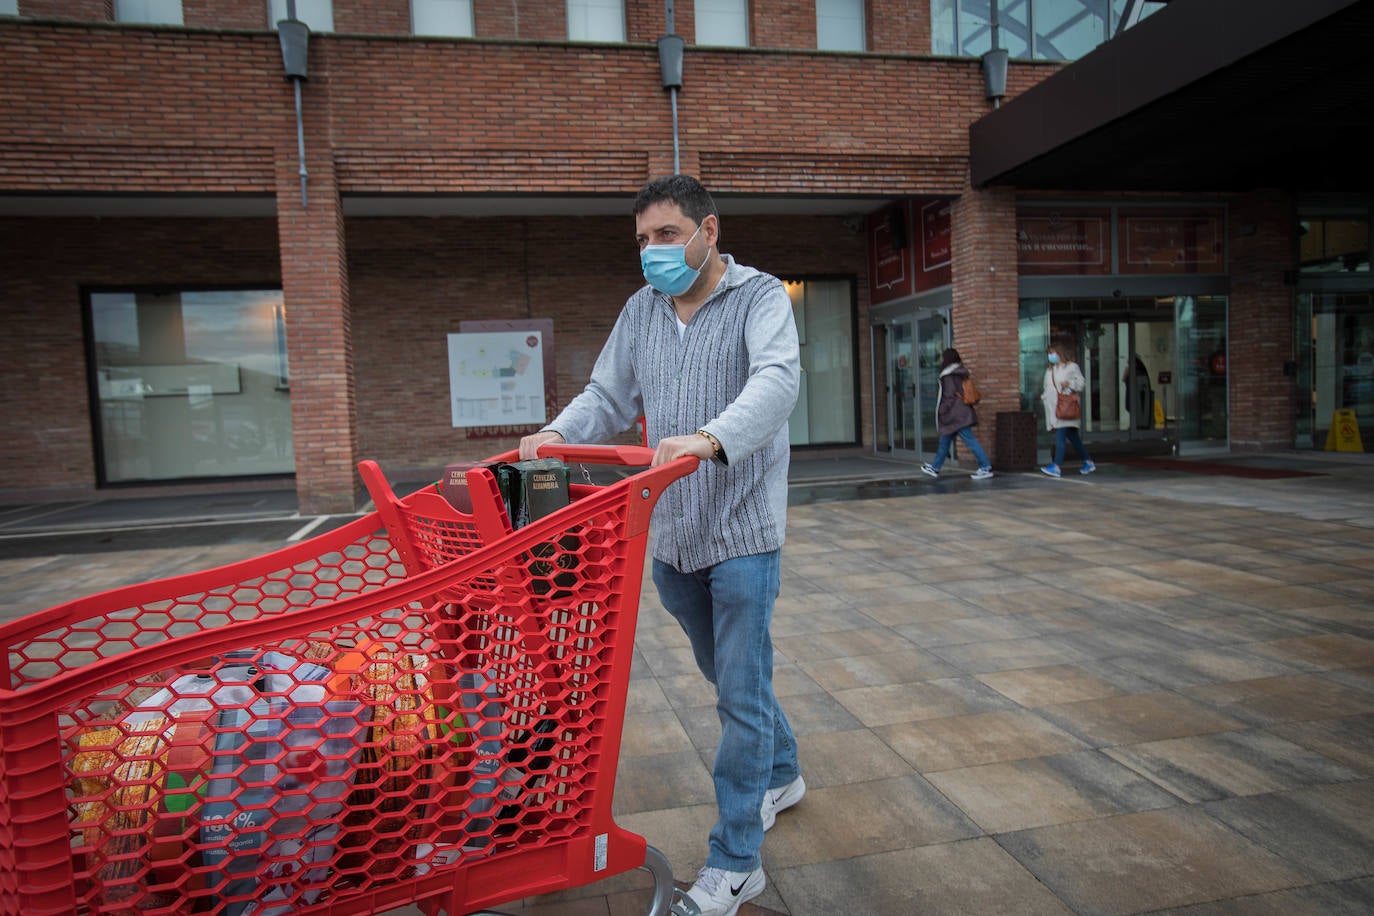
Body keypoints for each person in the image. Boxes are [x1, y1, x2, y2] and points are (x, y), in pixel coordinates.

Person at [518, 174, 803, 916]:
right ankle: (784, 769)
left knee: (739, 694)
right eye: (643, 239)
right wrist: (556, 433)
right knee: (727, 674)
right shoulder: (642, 311)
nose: (653, 252)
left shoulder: (760, 296)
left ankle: (737, 861)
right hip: (670, 533)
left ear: (709, 231)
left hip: (742, 528)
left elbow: (776, 383)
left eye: (668, 235)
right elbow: (607, 396)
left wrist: (712, 439)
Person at [920, 348, 993, 480]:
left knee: (970, 441)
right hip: (959, 413)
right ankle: (935, 467)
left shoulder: (949, 375)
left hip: (956, 415)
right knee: (944, 441)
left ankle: (985, 467)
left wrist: (942, 410)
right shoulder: (959, 372)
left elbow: (949, 396)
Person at [1040, 342, 1096, 477]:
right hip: (1055, 408)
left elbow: (1081, 384)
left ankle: (1057, 465)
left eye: (1053, 353)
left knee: (1060, 437)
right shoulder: (1050, 370)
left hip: (1066, 408)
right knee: (1074, 438)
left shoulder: (1072, 367)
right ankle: (1088, 461)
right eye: (1049, 353)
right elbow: (1047, 387)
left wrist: (1069, 384)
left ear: (1060, 353)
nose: (1051, 356)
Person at [1123, 354, 1153, 430]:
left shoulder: (1139, 373)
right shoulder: (1131, 371)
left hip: (1138, 397)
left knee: (1138, 410)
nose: (1128, 365)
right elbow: (1124, 380)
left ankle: (1140, 424)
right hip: (1132, 395)